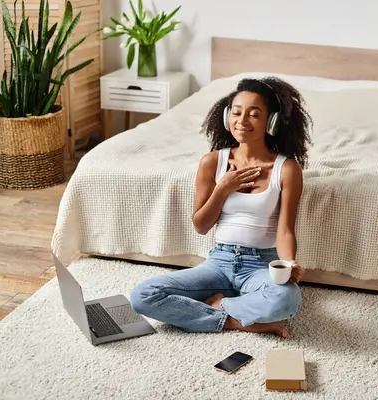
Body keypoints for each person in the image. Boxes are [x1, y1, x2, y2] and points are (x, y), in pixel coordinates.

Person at [130, 77, 313, 338]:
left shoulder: (287, 169)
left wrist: (288, 263)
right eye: (236, 113)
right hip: (219, 263)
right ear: (228, 116)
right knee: (143, 295)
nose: (242, 121)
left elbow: (285, 230)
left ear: (271, 121)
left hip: (261, 265)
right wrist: (222, 188)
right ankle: (236, 321)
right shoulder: (213, 162)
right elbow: (201, 225)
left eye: (253, 114)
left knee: (287, 299)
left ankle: (217, 305)